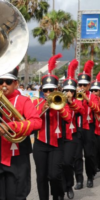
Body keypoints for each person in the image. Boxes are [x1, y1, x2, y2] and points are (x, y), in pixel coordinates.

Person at [0, 67, 42, 200]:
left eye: (8, 81)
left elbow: (36, 122)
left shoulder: (23, 101)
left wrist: (10, 126)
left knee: (17, 197)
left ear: (15, 83)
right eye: (0, 81)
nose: (3, 85)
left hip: (18, 158)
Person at [33, 54, 72, 200]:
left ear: (57, 89)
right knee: (41, 177)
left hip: (57, 144)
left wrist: (60, 107)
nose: (48, 93)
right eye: (46, 90)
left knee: (55, 175)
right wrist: (43, 107)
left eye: (51, 90)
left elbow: (68, 118)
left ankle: (58, 195)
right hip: (40, 144)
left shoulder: (62, 102)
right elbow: (32, 120)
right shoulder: (37, 103)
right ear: (42, 90)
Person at [74, 60, 100, 189]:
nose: (83, 87)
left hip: (89, 128)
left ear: (89, 85)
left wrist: (87, 99)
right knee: (77, 155)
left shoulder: (93, 96)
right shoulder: (74, 95)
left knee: (89, 154)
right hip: (77, 128)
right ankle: (79, 180)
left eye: (85, 84)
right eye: (81, 84)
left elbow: (97, 109)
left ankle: (90, 176)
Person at [61, 59, 85, 199]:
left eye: (71, 91)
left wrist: (70, 102)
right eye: (66, 90)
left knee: (68, 162)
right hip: (58, 136)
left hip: (73, 136)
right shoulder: (59, 100)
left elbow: (80, 110)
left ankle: (69, 185)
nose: (68, 93)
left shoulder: (77, 101)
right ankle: (62, 188)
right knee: (59, 164)